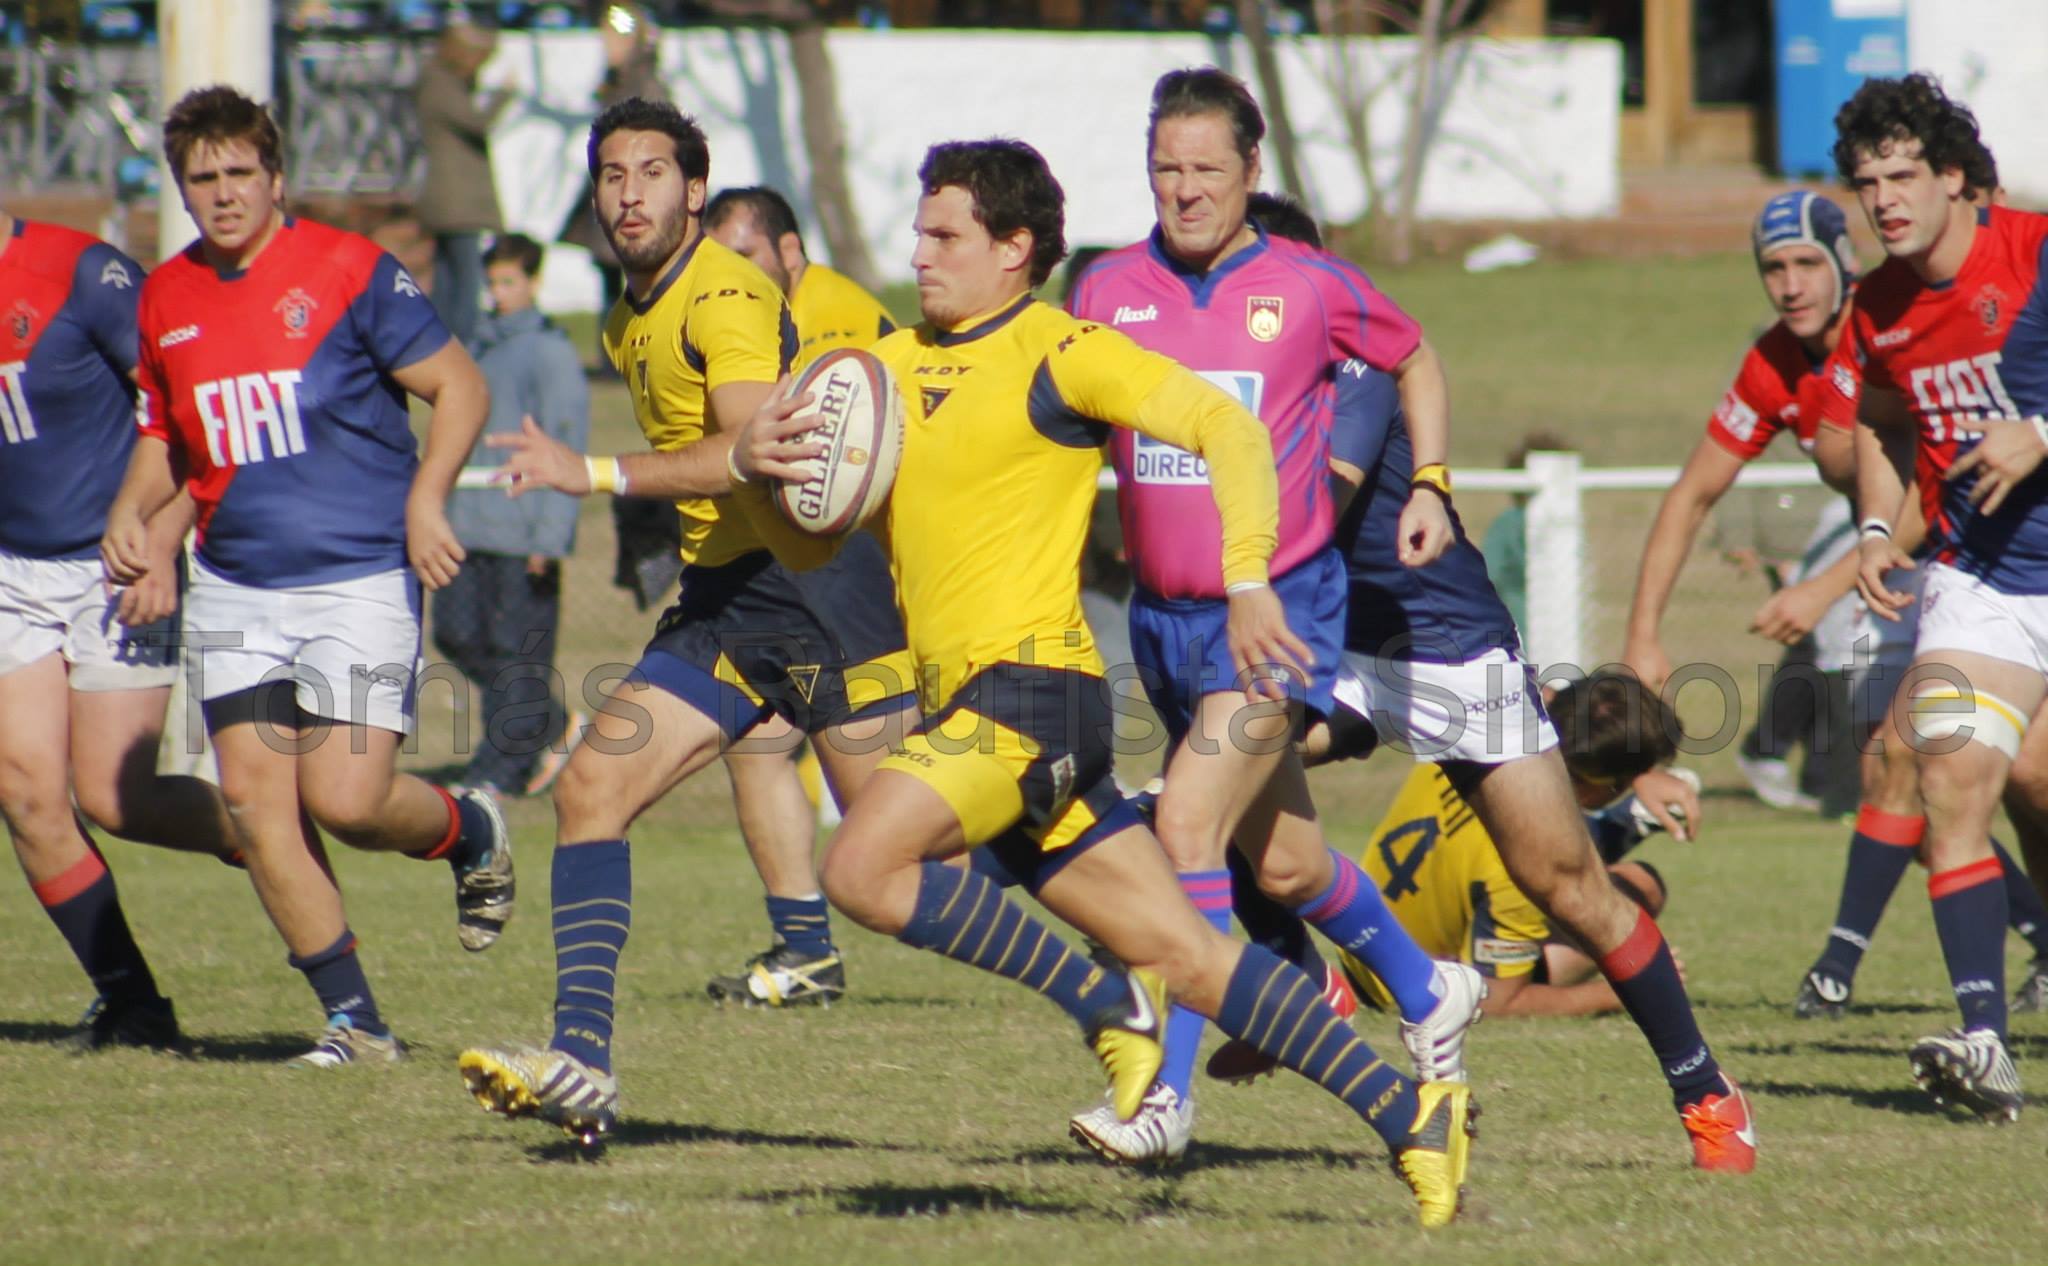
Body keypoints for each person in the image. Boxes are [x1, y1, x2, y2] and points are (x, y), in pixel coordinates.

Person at [720, 136, 1475, 1227]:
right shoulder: (882, 370)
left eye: (945, 236)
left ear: (1015, 248)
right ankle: (1411, 1115)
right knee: (1191, 954)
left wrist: (1248, 576)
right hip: (978, 711)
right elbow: (803, 551)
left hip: (1029, 693)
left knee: (860, 865)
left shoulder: (1060, 351)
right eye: (918, 231)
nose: (919, 253)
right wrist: (758, 476)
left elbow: (1224, 427)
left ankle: (1100, 1001)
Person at [1167, 179, 1755, 1172]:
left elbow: (1317, 498)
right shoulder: (1227, 371)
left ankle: (1706, 1094)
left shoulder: (1352, 363)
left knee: (1564, 883)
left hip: (1444, 651)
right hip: (1328, 643)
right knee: (1200, 793)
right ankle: (1302, 986)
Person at [454, 98, 916, 1129]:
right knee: (590, 790)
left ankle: (1112, 987)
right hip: (723, 600)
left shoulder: (725, 296)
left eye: (651, 173)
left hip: (810, 592)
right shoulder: (626, 318)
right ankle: (583, 1060)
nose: (629, 194)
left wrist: (595, 473)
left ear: (692, 190)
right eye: (612, 175)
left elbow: (754, 452)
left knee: (902, 867)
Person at [1061, 70, 1483, 1164]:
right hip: (1162, 621)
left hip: (1279, 618)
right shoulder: (1105, 289)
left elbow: (1414, 352)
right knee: (1288, 869)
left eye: (1206, 169)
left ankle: (1167, 1101)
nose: (1184, 190)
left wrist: (1429, 480)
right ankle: (1423, 988)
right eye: (1165, 169)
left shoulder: (1307, 284)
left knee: (1186, 830)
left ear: (1251, 172)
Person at [100, 85, 514, 1068]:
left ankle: (470, 827)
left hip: (359, 575)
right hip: (237, 584)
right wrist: (132, 511)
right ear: (182, 189)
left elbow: (460, 384)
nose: (224, 193)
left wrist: (427, 500)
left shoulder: (345, 269)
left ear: (276, 177)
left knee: (349, 801)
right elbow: (166, 434)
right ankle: (355, 1023)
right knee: (252, 804)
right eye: (203, 178)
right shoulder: (164, 297)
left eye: (241, 172)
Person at [1829, 73, 2048, 1121]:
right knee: (1950, 774)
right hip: (1982, 579)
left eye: (1902, 175)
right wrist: (1876, 526)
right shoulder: (1874, 308)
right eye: (1866, 183)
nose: (1882, 200)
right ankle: (1983, 1044)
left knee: (2038, 789)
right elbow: (1879, 423)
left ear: (1954, 178)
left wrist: (2041, 434)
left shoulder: (2035, 250)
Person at [0, 209, 244, 1050]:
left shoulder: (81, 273)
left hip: (113, 559)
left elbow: (188, 400)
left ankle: (268, 837)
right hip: (10, 573)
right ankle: (133, 1004)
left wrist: (166, 533)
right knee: (27, 792)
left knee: (115, 798)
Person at [697, 184, 916, 1006]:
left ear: (790, 254)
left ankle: (1094, 867)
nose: (737, 278)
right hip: (788, 571)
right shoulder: (738, 320)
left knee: (892, 810)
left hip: (847, 569)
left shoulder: (834, 317)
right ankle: (805, 951)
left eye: (749, 259)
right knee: (758, 745)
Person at [1332, 675, 1690, 1021]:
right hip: (1412, 989)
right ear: (1604, 786)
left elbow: (1545, 691)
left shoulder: (1475, 730)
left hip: (1359, 952)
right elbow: (1497, 1002)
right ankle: (1620, 825)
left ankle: (1620, 824)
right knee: (1639, 885)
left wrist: (1635, 770)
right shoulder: (1529, 857)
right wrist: (1621, 990)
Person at [435, 232, 589, 797]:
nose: (499, 294)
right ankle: (552, 724)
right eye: (492, 282)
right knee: (455, 634)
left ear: (533, 283)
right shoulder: (475, 344)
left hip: (521, 530)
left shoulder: (550, 352)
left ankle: (496, 772)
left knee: (514, 653)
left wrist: (548, 537)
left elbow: (565, 440)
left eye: (509, 282)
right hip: (468, 524)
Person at [561, 1, 666, 362]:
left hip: (635, 195)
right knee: (610, 280)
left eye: (617, 38)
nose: (610, 45)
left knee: (641, 278)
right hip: (610, 188)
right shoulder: (615, 80)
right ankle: (612, 354)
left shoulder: (644, 82)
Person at [415, 15, 514, 346]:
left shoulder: (438, 81)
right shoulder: (440, 84)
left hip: (449, 202)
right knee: (465, 281)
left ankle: (439, 341)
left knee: (447, 278)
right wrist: (504, 95)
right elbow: (477, 123)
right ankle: (463, 344)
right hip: (457, 202)